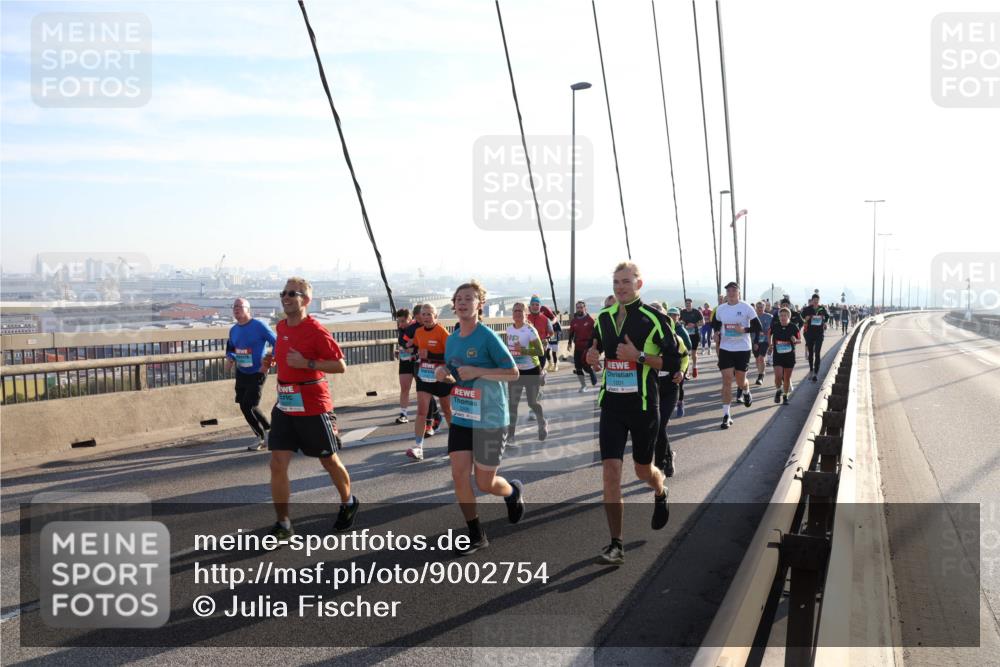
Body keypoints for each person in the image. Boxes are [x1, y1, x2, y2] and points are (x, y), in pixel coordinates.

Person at [586, 262, 680, 566]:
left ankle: (660, 487)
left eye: (626, 282)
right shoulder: (603, 317)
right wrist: (592, 356)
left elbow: (674, 363)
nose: (620, 287)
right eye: (616, 282)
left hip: (642, 407)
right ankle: (616, 544)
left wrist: (639, 356)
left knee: (643, 471)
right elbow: (596, 347)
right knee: (611, 472)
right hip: (612, 406)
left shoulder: (654, 318)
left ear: (639, 284)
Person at [436, 280, 523, 555]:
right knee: (459, 475)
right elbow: (455, 372)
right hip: (463, 415)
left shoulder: (488, 337)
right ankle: (475, 533)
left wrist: (478, 372)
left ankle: (511, 492)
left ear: (479, 305)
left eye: (469, 298)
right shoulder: (451, 339)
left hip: (491, 417)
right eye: (459, 298)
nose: (462, 302)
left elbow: (512, 373)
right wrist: (444, 375)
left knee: (485, 483)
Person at [266, 277, 357, 540]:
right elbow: (284, 354)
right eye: (283, 292)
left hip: (313, 405)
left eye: (292, 293)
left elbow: (340, 365)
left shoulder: (316, 330)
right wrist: (271, 360)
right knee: (277, 463)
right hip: (285, 402)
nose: (285, 297)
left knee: (328, 460)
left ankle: (348, 502)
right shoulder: (281, 326)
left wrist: (307, 362)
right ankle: (283, 524)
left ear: (305, 300)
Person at [226, 297, 277, 451]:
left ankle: (261, 437)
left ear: (248, 310)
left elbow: (278, 342)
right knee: (245, 406)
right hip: (242, 372)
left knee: (249, 404)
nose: (236, 309)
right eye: (234, 306)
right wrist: (230, 358)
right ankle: (268, 433)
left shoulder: (259, 325)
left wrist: (269, 361)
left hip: (257, 371)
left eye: (240, 306)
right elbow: (231, 348)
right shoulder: (234, 329)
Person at [711, 282, 761, 429]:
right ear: (726, 293)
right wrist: (716, 333)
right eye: (729, 290)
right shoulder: (721, 309)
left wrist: (744, 330)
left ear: (738, 292)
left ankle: (746, 390)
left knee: (740, 381)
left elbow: (758, 326)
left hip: (742, 349)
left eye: (734, 290)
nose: (731, 293)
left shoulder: (746, 307)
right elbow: (715, 323)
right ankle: (726, 415)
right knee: (726, 380)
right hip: (726, 348)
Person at [407, 304, 453, 460]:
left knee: (447, 411)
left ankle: (455, 443)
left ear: (436, 316)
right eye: (423, 314)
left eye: (429, 314)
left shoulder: (442, 332)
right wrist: (410, 352)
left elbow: (451, 358)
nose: (426, 317)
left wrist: (431, 354)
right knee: (421, 411)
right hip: (424, 375)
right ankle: (418, 447)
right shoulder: (419, 332)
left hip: (441, 377)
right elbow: (420, 351)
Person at [505, 302, 547, 443]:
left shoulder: (530, 330)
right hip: (516, 372)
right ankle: (511, 435)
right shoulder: (509, 329)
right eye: (515, 310)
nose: (517, 313)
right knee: (513, 404)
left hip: (531, 370)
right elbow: (510, 350)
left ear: (525, 313)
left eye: (520, 311)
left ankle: (542, 423)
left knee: (532, 402)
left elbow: (540, 352)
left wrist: (523, 350)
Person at [769, 307, 801, 404]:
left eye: (785, 315)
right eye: (781, 316)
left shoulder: (793, 327)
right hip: (778, 355)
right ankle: (779, 390)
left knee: (787, 378)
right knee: (778, 376)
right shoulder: (775, 326)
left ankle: (785, 396)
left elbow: (800, 340)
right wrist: (770, 344)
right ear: (779, 317)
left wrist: (795, 340)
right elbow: (769, 334)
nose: (783, 317)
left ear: (789, 317)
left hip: (789, 356)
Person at [567, 299, 597, 392]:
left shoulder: (590, 320)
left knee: (586, 366)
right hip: (578, 347)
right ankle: (583, 385)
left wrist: (594, 346)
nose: (579, 309)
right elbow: (571, 333)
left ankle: (591, 372)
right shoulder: (574, 321)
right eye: (577, 308)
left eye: (581, 307)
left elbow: (596, 334)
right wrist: (569, 343)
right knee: (578, 367)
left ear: (585, 308)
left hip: (587, 346)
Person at [800, 294, 830, 382]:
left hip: (819, 333)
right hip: (809, 333)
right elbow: (801, 317)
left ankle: (816, 373)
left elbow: (827, 317)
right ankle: (811, 369)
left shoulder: (822, 308)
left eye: (817, 299)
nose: (816, 301)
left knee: (817, 353)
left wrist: (824, 321)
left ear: (819, 300)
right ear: (812, 300)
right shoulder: (807, 309)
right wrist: (806, 318)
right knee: (810, 353)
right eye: (814, 299)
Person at [394, 308, 415, 424]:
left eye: (403, 321)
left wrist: (413, 348)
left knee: (423, 390)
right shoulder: (401, 330)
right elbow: (404, 344)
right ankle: (403, 414)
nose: (400, 324)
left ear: (410, 318)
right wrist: (402, 350)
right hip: (405, 361)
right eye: (399, 321)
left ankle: (431, 415)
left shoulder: (418, 327)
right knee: (404, 388)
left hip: (417, 361)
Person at [679, 298, 704, 377]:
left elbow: (703, 322)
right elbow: (678, 321)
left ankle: (694, 366)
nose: (688, 305)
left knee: (693, 353)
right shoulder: (682, 312)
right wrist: (683, 324)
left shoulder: (696, 312)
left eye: (689, 304)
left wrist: (694, 325)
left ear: (691, 304)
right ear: (685, 304)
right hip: (685, 335)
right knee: (685, 353)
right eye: (686, 304)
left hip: (695, 334)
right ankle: (686, 370)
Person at [752, 301, 773, 386]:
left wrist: (771, 343)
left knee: (761, 357)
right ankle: (760, 372)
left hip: (764, 340)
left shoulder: (769, 317)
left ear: (764, 308)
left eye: (761, 307)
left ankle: (761, 376)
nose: (760, 309)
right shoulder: (752, 317)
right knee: (757, 359)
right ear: (756, 308)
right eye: (758, 307)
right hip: (754, 340)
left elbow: (770, 330)